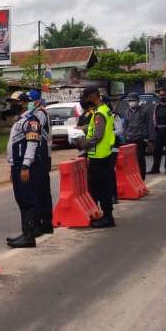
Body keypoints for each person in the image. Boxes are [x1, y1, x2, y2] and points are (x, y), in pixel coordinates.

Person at [5, 93, 50, 248]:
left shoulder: (31, 120)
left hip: (24, 165)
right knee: (22, 199)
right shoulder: (21, 120)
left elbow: (32, 144)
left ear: (24, 103)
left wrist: (25, 166)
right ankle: (26, 233)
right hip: (17, 165)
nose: (12, 105)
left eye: (15, 102)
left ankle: (29, 235)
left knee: (27, 200)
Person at [72, 86, 116, 228]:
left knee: (100, 188)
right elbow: (96, 130)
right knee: (102, 187)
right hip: (104, 154)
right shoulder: (104, 110)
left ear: (93, 96)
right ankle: (105, 215)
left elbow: (97, 135)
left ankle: (107, 217)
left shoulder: (99, 114)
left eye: (86, 97)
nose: (85, 100)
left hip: (100, 156)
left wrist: (83, 144)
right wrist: (84, 129)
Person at [25, 89, 54, 236]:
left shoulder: (40, 114)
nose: (28, 103)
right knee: (41, 191)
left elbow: (36, 134)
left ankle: (44, 223)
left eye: (30, 101)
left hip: (41, 156)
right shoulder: (35, 114)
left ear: (36, 101)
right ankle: (45, 222)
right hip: (42, 154)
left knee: (40, 191)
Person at [122, 92, 151, 181]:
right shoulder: (126, 112)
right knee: (130, 160)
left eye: (133, 100)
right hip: (129, 139)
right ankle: (134, 178)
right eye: (130, 101)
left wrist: (148, 139)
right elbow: (125, 126)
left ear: (138, 101)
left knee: (140, 158)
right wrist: (124, 138)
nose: (131, 102)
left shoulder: (144, 110)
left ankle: (142, 178)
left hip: (140, 138)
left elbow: (149, 125)